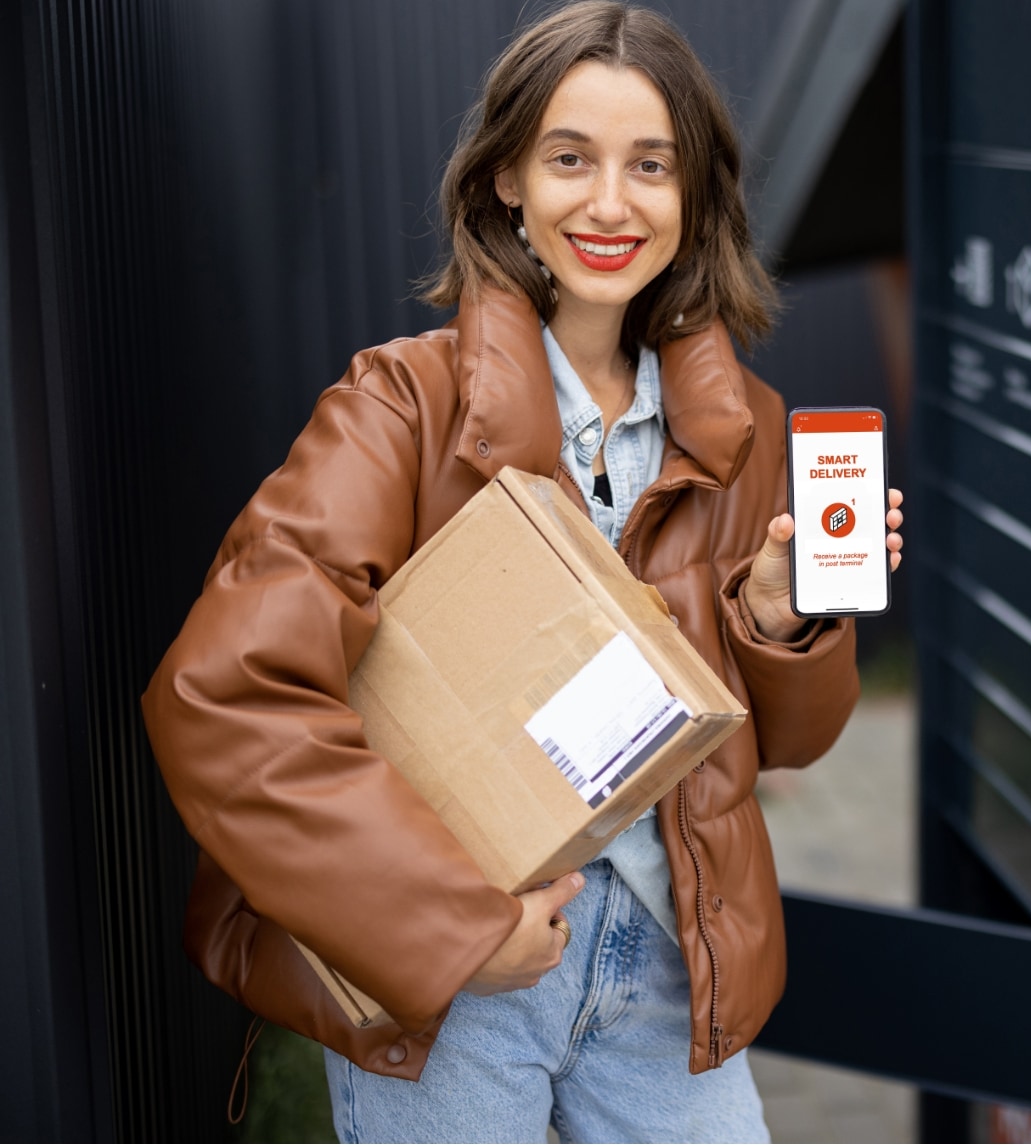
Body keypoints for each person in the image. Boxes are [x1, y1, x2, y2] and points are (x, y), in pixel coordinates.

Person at [141, 4, 905, 1141]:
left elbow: (786, 743)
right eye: (568, 158)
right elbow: (226, 698)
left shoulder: (741, 429)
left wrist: (770, 621)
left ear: (694, 193)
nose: (610, 203)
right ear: (505, 179)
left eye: (651, 164)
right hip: (460, 979)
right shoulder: (400, 408)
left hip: (666, 966)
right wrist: (452, 927)